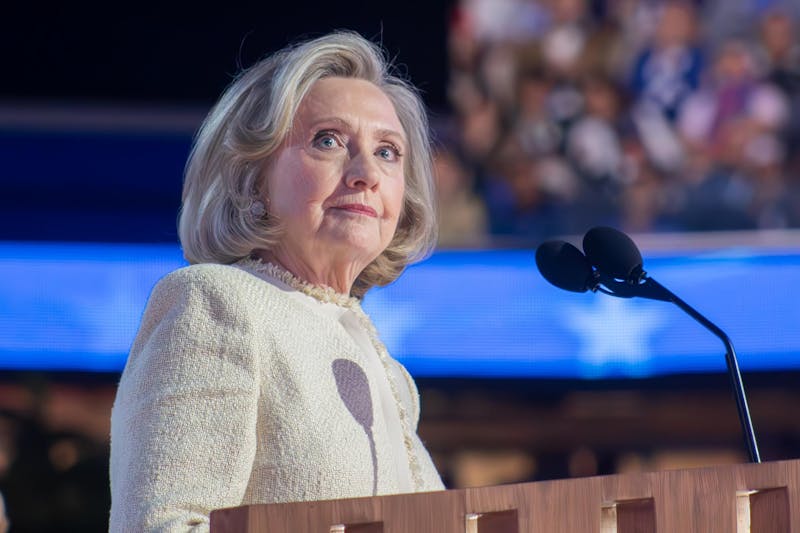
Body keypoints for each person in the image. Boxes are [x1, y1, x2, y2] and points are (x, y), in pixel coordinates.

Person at [109, 31, 444, 532]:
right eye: (328, 141)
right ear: (252, 176)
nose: (366, 174)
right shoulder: (215, 304)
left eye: (388, 152)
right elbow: (160, 526)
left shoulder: (384, 365)